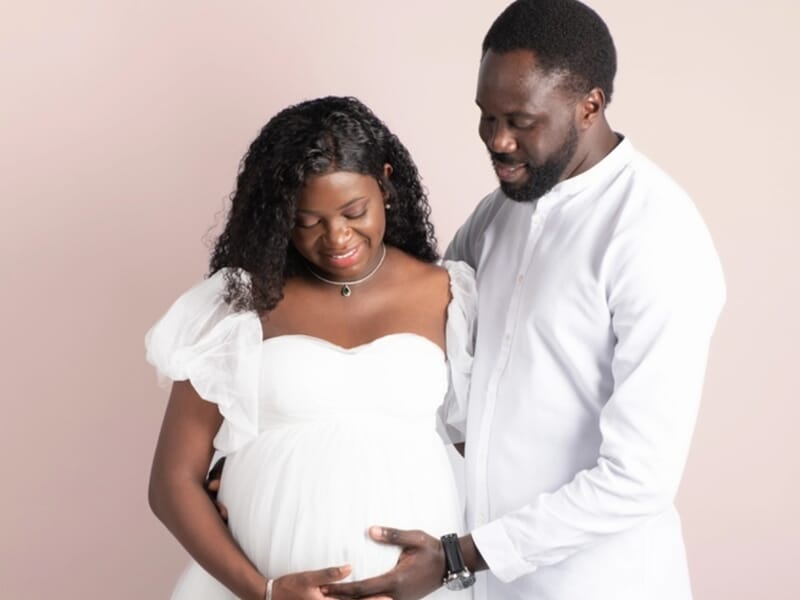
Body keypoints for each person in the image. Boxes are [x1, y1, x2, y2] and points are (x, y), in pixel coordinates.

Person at [325, 1, 726, 599]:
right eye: (486, 116)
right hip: (479, 582)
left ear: (590, 105)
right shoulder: (497, 216)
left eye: (521, 120)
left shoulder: (656, 233)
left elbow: (640, 478)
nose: (498, 139)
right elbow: (407, 325)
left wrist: (462, 555)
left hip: (598, 585)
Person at [145, 96, 476, 600]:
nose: (336, 237)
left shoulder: (447, 294)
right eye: (308, 220)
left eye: (354, 211)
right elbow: (172, 481)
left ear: (385, 183)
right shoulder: (240, 302)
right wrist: (266, 592)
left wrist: (459, 558)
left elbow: (491, 451)